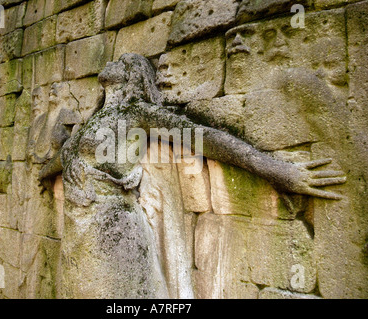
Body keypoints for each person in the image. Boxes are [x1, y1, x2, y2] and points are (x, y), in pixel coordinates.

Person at [40, 53, 346, 298]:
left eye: (121, 61)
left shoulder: (136, 113)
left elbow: (204, 138)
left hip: (114, 224)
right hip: (79, 227)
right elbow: (63, 160)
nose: (109, 62)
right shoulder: (95, 120)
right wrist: (42, 172)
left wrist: (276, 170)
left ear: (133, 75)